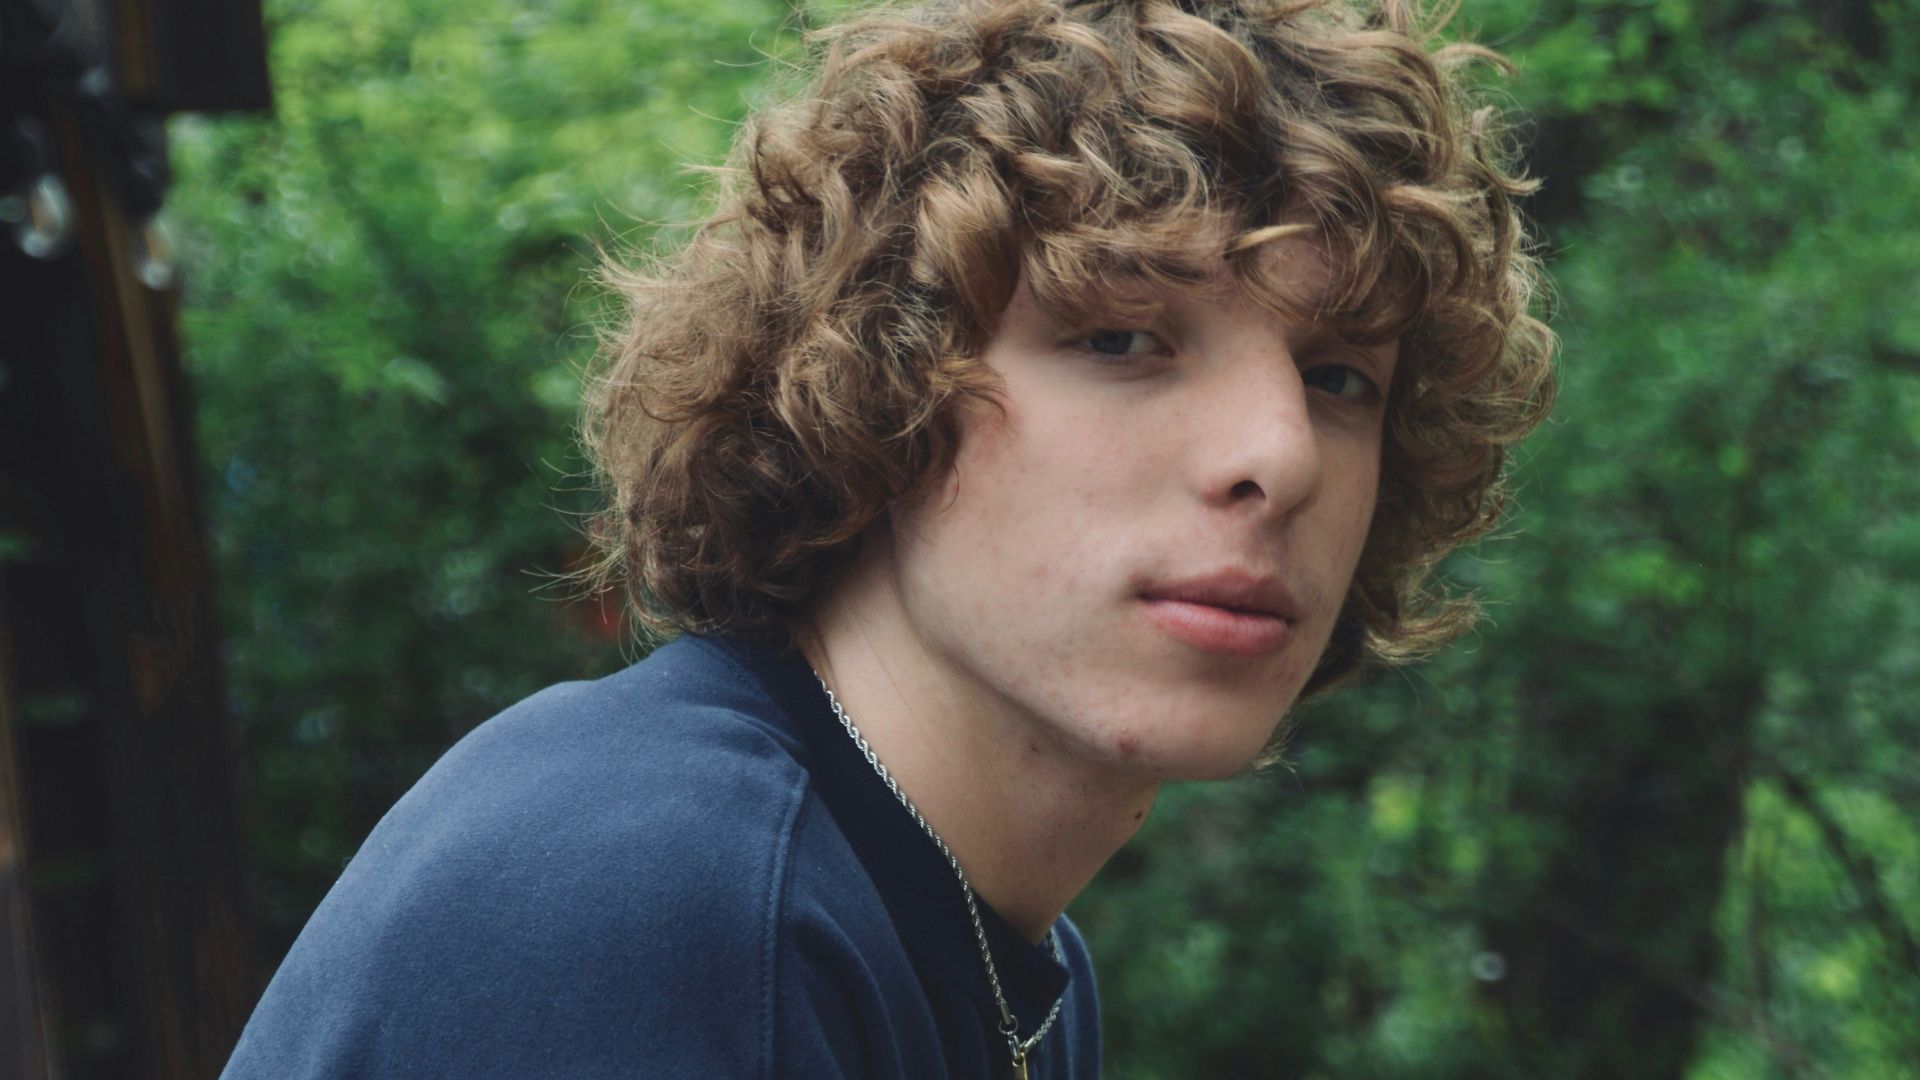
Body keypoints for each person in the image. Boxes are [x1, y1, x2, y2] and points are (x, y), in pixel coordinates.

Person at [221, 0, 1554, 1076]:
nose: (1280, 453)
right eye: (1121, 339)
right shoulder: (656, 895)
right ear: (876, 389)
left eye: (1340, 377)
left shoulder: (1006, 956)